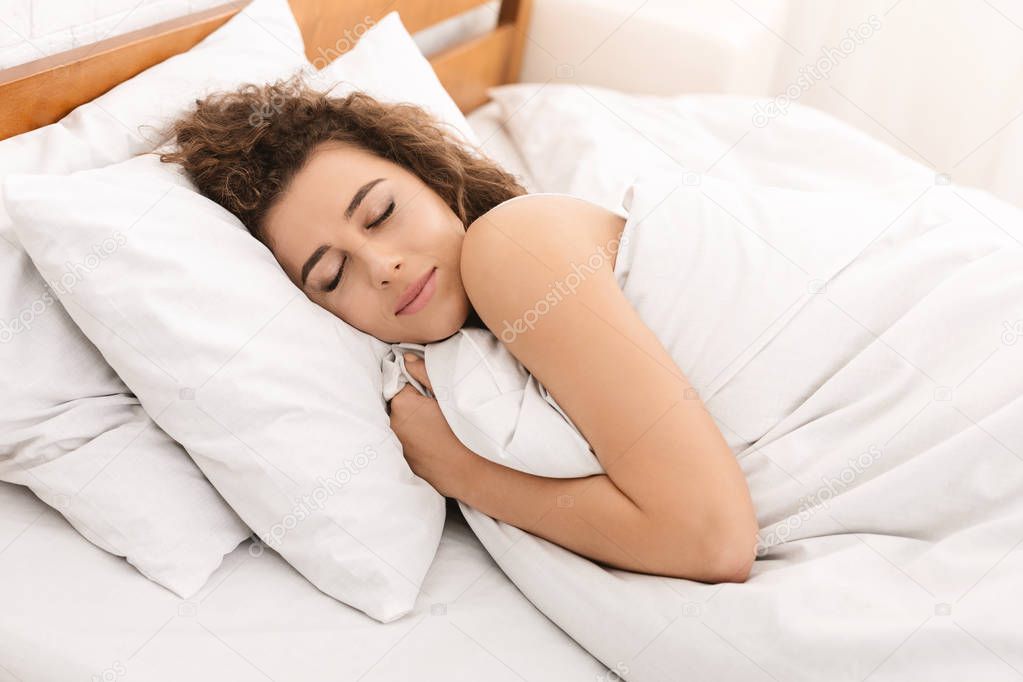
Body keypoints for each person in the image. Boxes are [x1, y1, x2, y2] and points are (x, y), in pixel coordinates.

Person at [159, 73, 758, 583]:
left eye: (382, 214)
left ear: (436, 179)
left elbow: (713, 543)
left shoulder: (515, 245)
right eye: (334, 275)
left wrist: (459, 470)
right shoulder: (451, 370)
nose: (383, 267)